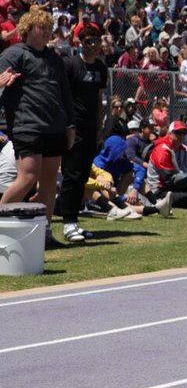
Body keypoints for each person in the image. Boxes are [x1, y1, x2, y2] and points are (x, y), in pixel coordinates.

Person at [0, 9, 75, 248]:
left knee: (50, 179)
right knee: (27, 177)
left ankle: (44, 232)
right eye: (41, 27)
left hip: (54, 126)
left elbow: (65, 93)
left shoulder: (55, 58)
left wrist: (70, 125)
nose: (47, 31)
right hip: (27, 125)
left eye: (49, 28)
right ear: (28, 29)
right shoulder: (14, 54)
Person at [60, 26, 109, 242]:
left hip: (91, 128)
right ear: (81, 42)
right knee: (71, 174)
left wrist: (99, 128)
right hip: (73, 126)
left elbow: (99, 100)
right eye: (90, 41)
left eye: (97, 40)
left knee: (82, 176)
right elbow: (63, 95)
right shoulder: (71, 64)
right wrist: (67, 126)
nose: (94, 45)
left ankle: (75, 221)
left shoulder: (101, 68)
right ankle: (67, 222)